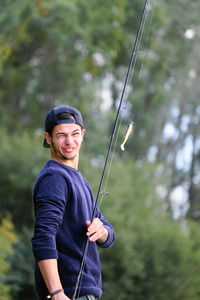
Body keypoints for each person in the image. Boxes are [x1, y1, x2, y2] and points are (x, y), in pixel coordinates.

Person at [31, 105, 115, 300]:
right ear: (48, 138)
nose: (70, 141)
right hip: (68, 295)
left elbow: (109, 236)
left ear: (83, 134)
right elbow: (43, 236)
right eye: (61, 135)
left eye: (75, 133)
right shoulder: (54, 178)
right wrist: (57, 292)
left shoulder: (81, 182)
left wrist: (101, 231)